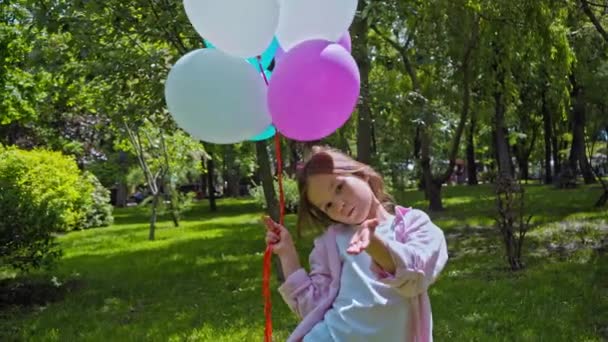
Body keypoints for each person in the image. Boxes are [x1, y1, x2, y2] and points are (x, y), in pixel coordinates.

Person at [263, 146, 448, 342]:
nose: (339, 204)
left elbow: (416, 279)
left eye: (339, 187)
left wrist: (375, 245)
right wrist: (287, 254)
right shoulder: (331, 242)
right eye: (328, 205)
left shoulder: (413, 224)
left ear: (362, 175)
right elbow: (313, 306)